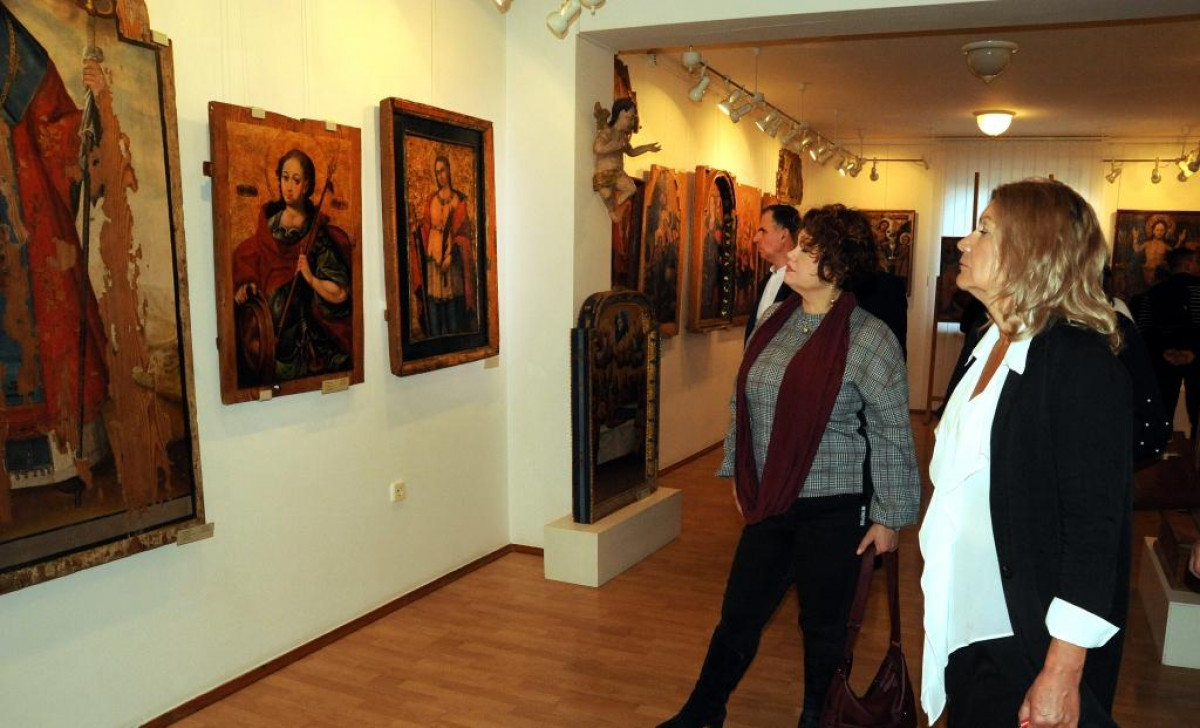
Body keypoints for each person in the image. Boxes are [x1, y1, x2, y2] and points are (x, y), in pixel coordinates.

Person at [659, 204, 920, 728]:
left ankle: (815, 717)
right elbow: (742, 403)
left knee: (823, 627)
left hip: (834, 508)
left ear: (837, 267)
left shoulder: (869, 338)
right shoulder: (773, 321)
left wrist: (890, 516)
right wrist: (739, 472)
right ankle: (703, 711)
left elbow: (893, 431)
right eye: (796, 243)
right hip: (771, 501)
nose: (792, 255)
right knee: (739, 614)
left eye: (808, 249)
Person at [920, 179, 1132, 728]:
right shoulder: (988, 341)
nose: (964, 242)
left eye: (985, 230)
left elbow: (1095, 530)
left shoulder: (1079, 362)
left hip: (1028, 638)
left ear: (1033, 251)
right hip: (969, 621)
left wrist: (1061, 670)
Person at [232, 149, 352, 385]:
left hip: (302, 341)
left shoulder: (316, 234)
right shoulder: (267, 228)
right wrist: (246, 287)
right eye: (285, 178)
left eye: (296, 180)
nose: (288, 186)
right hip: (265, 339)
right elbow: (250, 264)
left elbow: (340, 292)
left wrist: (311, 278)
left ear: (306, 185)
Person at [411, 153, 478, 338]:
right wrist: (417, 229)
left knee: (452, 308)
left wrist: (452, 255)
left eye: (443, 170)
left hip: (451, 260)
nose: (440, 175)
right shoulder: (431, 200)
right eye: (437, 172)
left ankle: (454, 341)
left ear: (449, 170)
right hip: (433, 260)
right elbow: (426, 227)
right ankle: (434, 340)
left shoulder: (459, 201)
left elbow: (464, 235)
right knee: (434, 306)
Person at [1137, 246, 1200, 440]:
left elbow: (1144, 331)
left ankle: (1160, 450)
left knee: (1162, 411)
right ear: (1188, 264)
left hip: (1163, 361)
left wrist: (1164, 351)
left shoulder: (1154, 293)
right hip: (1197, 360)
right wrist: (1193, 351)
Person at [592, 98, 660, 221]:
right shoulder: (608, 132)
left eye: (632, 118)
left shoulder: (623, 137)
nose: (630, 122)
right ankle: (611, 210)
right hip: (604, 172)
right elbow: (597, 148)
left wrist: (647, 148)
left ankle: (615, 204)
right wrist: (614, 146)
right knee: (606, 194)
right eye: (628, 118)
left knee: (631, 188)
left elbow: (631, 152)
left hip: (618, 173)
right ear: (619, 115)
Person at [743, 204, 801, 343]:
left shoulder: (801, 284)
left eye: (763, 231)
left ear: (783, 235)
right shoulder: (765, 280)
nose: (755, 238)